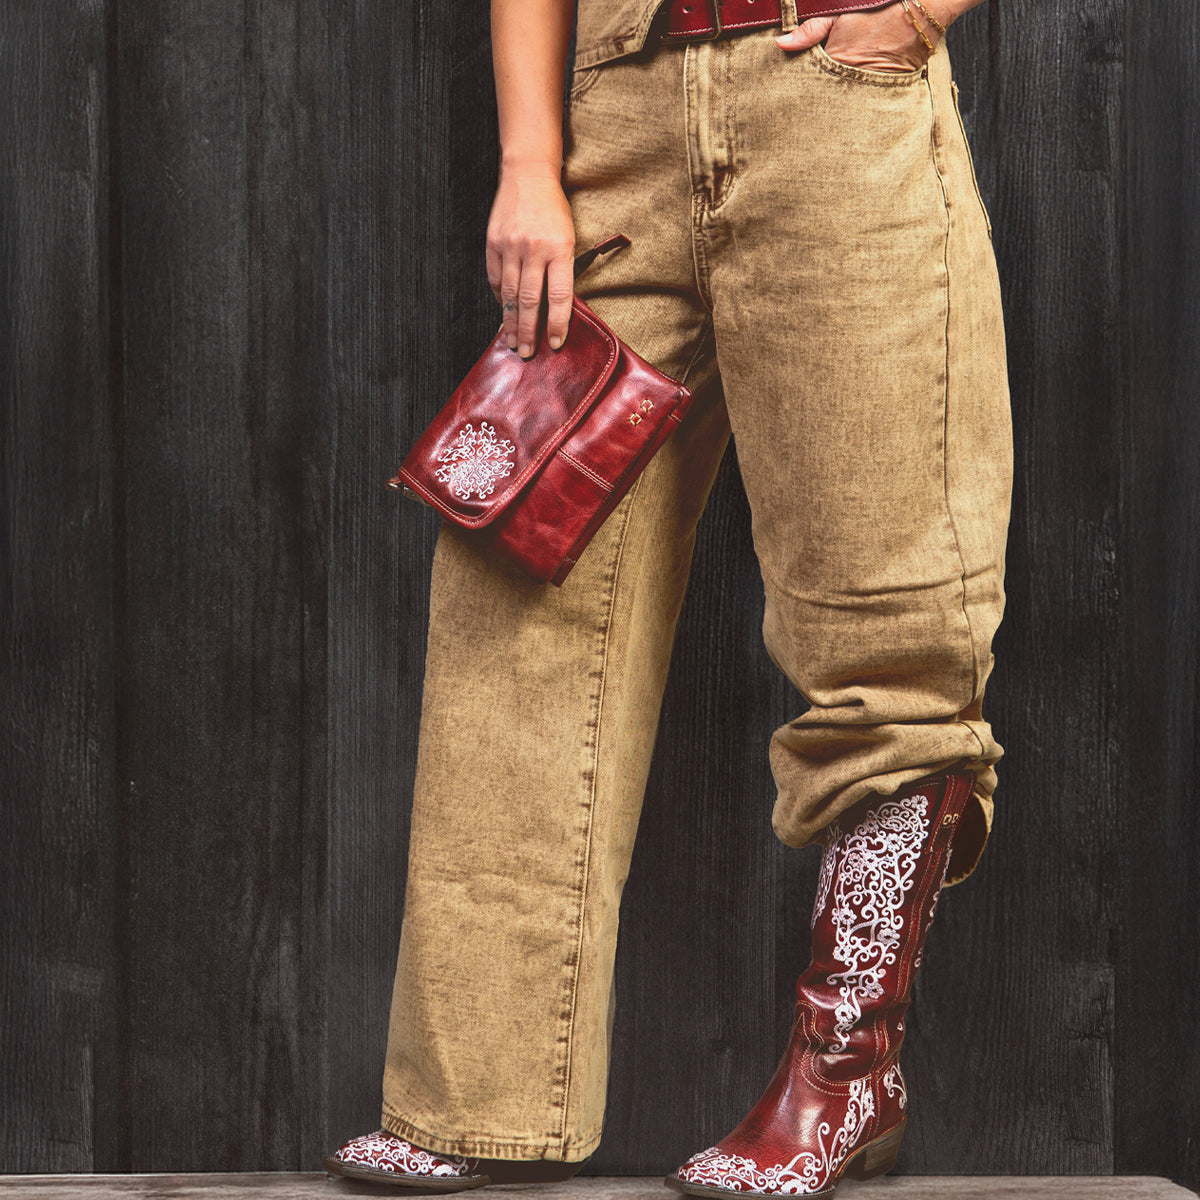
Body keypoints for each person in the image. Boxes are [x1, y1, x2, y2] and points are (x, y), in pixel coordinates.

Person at [323, 0, 1012, 1192]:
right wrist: (531, 162)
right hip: (619, 118)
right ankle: (477, 1099)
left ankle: (847, 1078)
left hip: (837, 108)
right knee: (520, 590)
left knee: (887, 616)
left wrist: (915, 15)